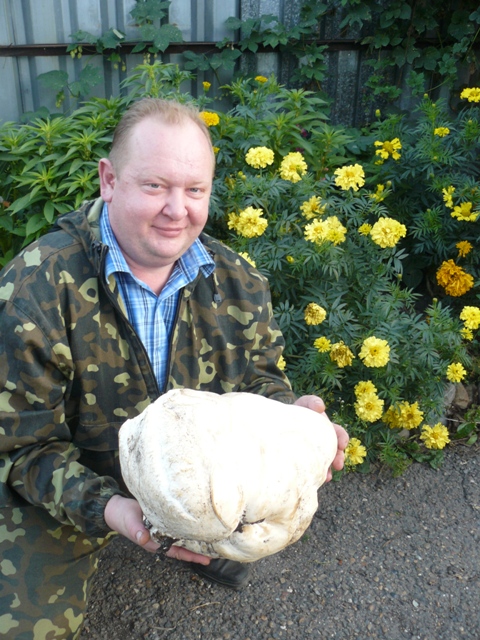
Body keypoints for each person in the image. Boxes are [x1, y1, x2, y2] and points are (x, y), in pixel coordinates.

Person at [0, 98, 348, 639]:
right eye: (155, 185)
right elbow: (20, 449)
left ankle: (201, 538)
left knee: (246, 527)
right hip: (71, 476)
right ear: (109, 180)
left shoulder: (238, 281)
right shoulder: (34, 290)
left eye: (195, 190)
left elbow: (259, 382)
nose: (176, 209)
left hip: (189, 478)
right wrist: (113, 509)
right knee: (20, 628)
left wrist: (290, 420)